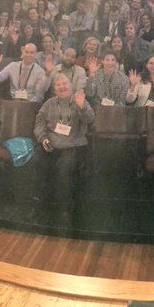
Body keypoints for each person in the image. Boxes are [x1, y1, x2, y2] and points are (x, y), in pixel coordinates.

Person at [33, 75, 96, 226]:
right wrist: (42, 138)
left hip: (73, 144)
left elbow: (90, 119)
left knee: (63, 170)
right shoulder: (49, 103)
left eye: (65, 83)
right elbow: (39, 121)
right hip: (51, 143)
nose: (62, 87)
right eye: (58, 85)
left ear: (71, 85)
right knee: (36, 163)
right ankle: (39, 205)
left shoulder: (79, 99)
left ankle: (64, 210)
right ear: (54, 89)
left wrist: (82, 107)